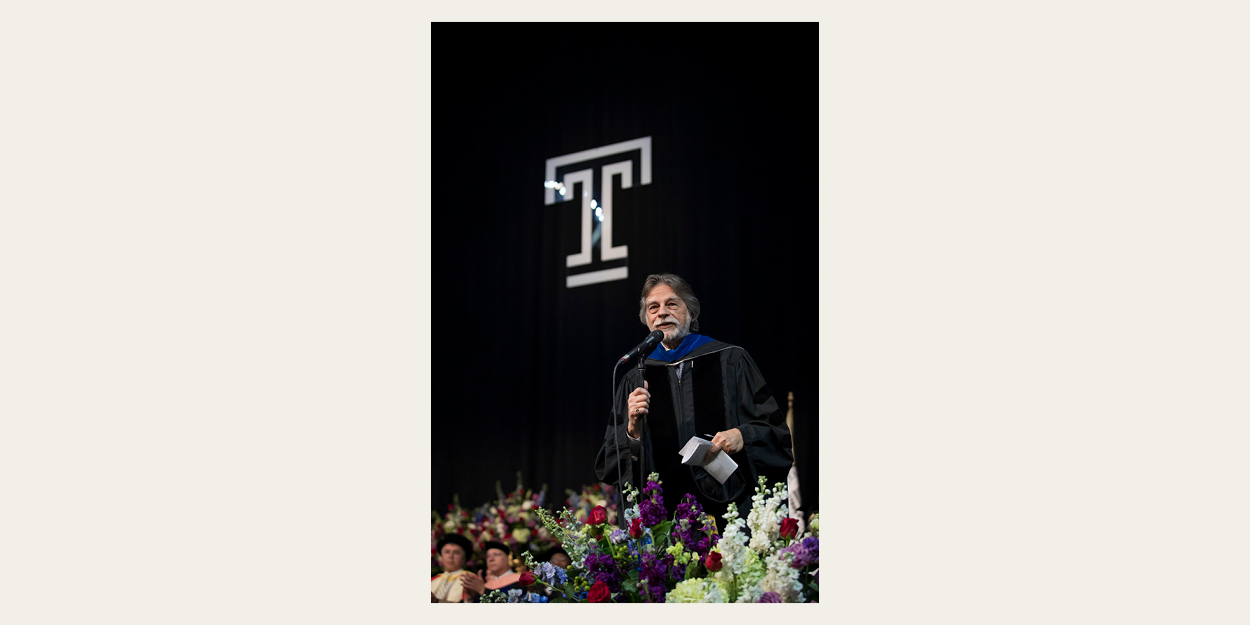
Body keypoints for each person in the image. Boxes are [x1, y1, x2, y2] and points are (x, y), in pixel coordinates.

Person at [594, 273, 794, 528]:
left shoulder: (731, 361)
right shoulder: (635, 380)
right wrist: (632, 432)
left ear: (691, 312)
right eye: (653, 308)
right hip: (665, 524)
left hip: (731, 516)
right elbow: (609, 468)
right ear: (646, 320)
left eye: (672, 304)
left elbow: (776, 434)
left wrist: (742, 435)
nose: (662, 313)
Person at [430, 534, 483, 603]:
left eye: (456, 553)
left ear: (464, 558)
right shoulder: (432, 581)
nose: (450, 556)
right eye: (447, 552)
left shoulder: (471, 580)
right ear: (441, 556)